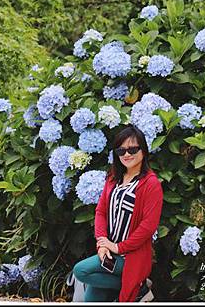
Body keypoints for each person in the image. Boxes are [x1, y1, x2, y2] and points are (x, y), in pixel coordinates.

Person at [73, 124, 164, 302]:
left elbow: (148, 226)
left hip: (130, 258)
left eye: (132, 149)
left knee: (81, 270)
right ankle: (138, 288)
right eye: (121, 151)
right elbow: (100, 212)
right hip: (108, 253)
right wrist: (103, 244)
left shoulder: (150, 184)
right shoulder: (113, 178)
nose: (127, 154)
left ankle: (137, 286)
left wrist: (118, 247)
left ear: (143, 150)